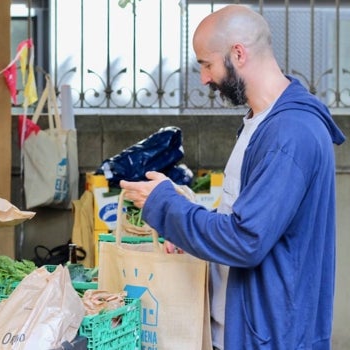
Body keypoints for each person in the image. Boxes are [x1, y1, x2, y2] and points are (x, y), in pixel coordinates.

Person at [120, 5, 345, 350]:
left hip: (271, 337)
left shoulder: (289, 134)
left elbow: (246, 240)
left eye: (207, 64)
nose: (205, 79)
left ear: (238, 53)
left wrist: (166, 207)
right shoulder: (262, 122)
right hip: (248, 328)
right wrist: (186, 224)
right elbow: (245, 219)